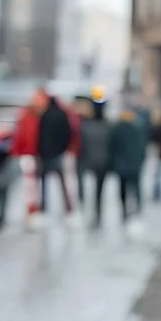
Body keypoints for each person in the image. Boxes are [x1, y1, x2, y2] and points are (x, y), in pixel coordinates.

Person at [33, 88, 78, 218]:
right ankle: (67, 206)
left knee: (43, 182)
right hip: (58, 152)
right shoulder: (61, 114)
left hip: (45, 153)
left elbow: (39, 135)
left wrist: (39, 150)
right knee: (62, 181)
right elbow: (67, 133)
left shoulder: (44, 115)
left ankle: (43, 206)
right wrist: (62, 148)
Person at [78, 100, 115, 225]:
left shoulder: (86, 126)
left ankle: (87, 211)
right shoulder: (108, 126)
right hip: (103, 162)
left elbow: (82, 145)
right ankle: (98, 212)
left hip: (89, 162)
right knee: (99, 190)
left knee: (87, 188)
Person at [109, 109, 147, 222]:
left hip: (121, 164)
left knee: (123, 188)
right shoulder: (138, 129)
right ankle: (138, 207)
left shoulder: (116, 129)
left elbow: (112, 147)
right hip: (135, 163)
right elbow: (142, 146)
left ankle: (124, 209)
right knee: (136, 187)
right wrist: (141, 160)